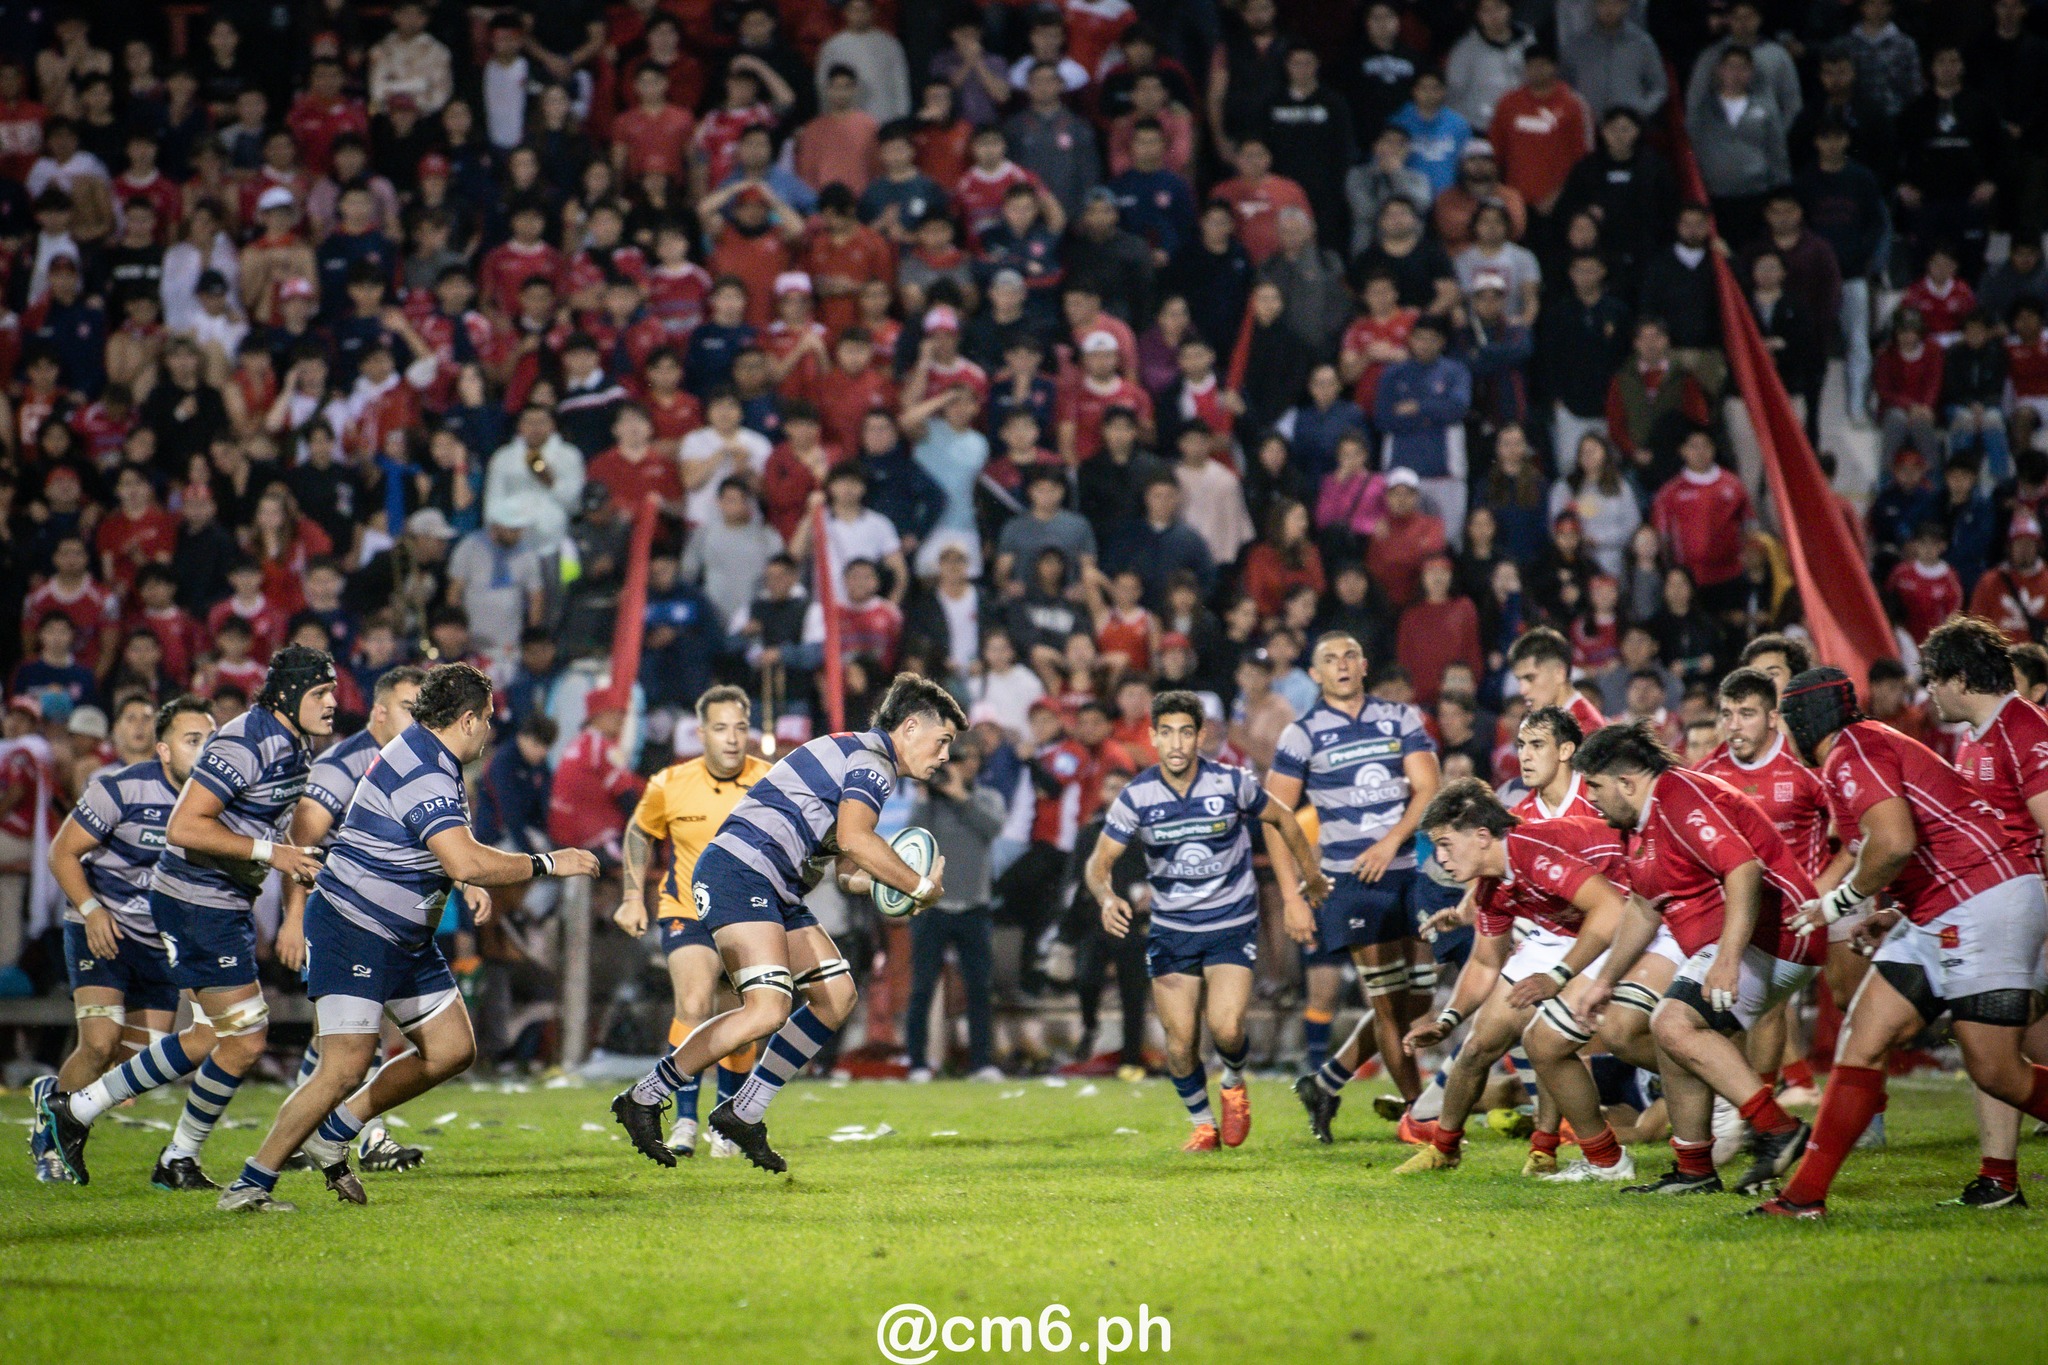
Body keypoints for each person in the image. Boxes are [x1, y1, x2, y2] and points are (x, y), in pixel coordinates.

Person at [214, 664, 599, 1210]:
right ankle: (251, 1183)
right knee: (344, 1064)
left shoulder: (429, 754)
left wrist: (462, 880)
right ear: (466, 720)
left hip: (403, 937)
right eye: (486, 720)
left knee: (450, 1050)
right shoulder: (425, 768)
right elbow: (461, 852)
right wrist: (546, 862)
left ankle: (334, 1133)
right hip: (356, 927)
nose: (489, 730)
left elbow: (436, 847)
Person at [612, 674, 966, 1172]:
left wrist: (891, 891)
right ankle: (645, 1096)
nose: (946, 755)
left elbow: (848, 872)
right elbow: (858, 840)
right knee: (766, 1009)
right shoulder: (873, 764)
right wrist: (919, 886)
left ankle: (743, 1110)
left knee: (836, 996)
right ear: (910, 727)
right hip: (741, 872)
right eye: (944, 740)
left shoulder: (858, 757)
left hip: (772, 883)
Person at [37, 646, 339, 1189]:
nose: (333, 702)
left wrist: (300, 869)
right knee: (246, 1038)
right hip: (196, 900)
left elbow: (279, 825)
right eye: (321, 692)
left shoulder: (295, 742)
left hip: (224, 901)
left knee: (207, 1037)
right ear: (291, 695)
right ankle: (86, 1114)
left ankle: (159, 1152)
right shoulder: (248, 741)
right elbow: (184, 827)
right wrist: (274, 857)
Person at [1758, 665, 2048, 1218]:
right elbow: (1922, 839)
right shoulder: (1865, 745)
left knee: (1998, 1071)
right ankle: (1803, 1197)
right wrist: (1892, 911)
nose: (1782, 734)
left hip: (1981, 901)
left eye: (1784, 718)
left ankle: (1999, 1179)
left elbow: (1892, 842)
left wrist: (1835, 905)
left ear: (1803, 717)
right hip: (1944, 906)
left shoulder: (1851, 750)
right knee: (1863, 1036)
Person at [1568, 722, 1820, 1197]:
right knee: (1670, 1037)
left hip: (1778, 933)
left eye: (1595, 786)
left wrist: (1726, 959)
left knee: (1674, 1024)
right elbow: (1645, 908)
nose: (1591, 799)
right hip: (1740, 938)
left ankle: (1777, 1128)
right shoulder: (1639, 822)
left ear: (1627, 781)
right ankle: (1694, 1170)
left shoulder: (1677, 793)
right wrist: (1604, 980)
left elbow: (1743, 867)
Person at [1085, 689, 1327, 1151]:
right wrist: (1105, 896)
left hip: (1229, 924)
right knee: (1179, 1044)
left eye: (1186, 732)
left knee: (1227, 1028)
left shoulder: (1232, 783)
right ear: (1153, 737)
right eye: (1167, 733)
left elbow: (1284, 820)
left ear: (1201, 737)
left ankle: (1233, 1081)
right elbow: (1099, 862)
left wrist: (1309, 878)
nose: (1177, 743)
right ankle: (1202, 1124)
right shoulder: (1138, 795)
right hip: (1172, 930)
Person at [1394, 779, 1635, 1179]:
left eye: (1447, 844)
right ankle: (1444, 1149)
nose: (1440, 857)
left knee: (1546, 1040)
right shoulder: (1493, 885)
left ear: (1483, 836)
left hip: (1622, 919)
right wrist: (1448, 1019)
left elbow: (1609, 910)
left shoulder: (1534, 851)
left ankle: (1588, 1156)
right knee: (1478, 1046)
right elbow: (1486, 962)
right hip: (1566, 930)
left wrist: (1557, 977)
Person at [30, 696, 213, 1183]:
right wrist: (90, 911)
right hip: (101, 929)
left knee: (136, 1064)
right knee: (99, 1043)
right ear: (164, 750)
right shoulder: (119, 788)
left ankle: (53, 1095)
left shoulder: (214, 804)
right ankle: (50, 1142)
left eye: (210, 740)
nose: (206, 749)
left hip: (160, 944)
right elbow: (62, 853)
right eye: (193, 740)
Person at [1267, 631, 1441, 1138]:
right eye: (1329, 660)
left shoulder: (1400, 718)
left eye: (1349, 656)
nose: (1341, 665)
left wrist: (1390, 842)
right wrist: (1290, 898)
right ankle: (1418, 1118)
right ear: (1315, 675)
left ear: (1363, 665)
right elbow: (1275, 818)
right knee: (1387, 1005)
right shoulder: (1301, 734)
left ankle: (1326, 1081)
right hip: (1353, 881)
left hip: (1411, 869)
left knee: (1420, 1001)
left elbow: (1429, 789)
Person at [1902, 617, 2048, 1208]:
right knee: (1995, 1039)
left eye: (1935, 679)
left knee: (1989, 1042)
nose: (1929, 692)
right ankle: (1998, 1179)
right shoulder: (1977, 735)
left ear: (1961, 679)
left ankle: (1999, 1178)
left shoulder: (2023, 729)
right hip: (1995, 900)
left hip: (2023, 902)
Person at [273, 665, 429, 1174]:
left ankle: (300, 1138)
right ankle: (367, 1136)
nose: (420, 717)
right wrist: (293, 918)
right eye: (410, 706)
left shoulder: (419, 760)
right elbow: (300, 841)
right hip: (340, 917)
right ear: (380, 712)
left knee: (337, 1041)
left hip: (385, 917)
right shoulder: (342, 765)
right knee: (354, 1037)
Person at [613, 685, 773, 1158]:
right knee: (695, 1001)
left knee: (747, 1016)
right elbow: (640, 832)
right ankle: (682, 1118)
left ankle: (725, 1119)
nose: (731, 738)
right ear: (701, 733)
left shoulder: (770, 782)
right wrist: (631, 896)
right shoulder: (669, 783)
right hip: (687, 912)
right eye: (721, 728)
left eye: (740, 728)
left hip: (747, 914)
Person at [905, 733, 1005, 1080]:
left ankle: (982, 1063)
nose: (969, 765)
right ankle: (916, 1063)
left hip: (975, 906)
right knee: (922, 988)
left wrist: (960, 796)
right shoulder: (930, 804)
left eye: (974, 759)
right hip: (933, 907)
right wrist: (923, 795)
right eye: (961, 759)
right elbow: (913, 842)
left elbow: (991, 829)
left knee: (979, 988)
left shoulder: (987, 798)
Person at [1507, 627, 1608, 739]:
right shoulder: (1552, 723)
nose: (1522, 690)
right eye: (1519, 680)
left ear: (1559, 674)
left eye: (1530, 678)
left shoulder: (1586, 729)